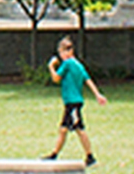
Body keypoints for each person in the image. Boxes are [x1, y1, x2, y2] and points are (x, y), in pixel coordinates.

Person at [43, 36, 107, 167]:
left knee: (79, 129)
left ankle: (90, 156)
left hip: (72, 102)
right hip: (74, 102)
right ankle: (54, 154)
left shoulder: (67, 64)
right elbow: (87, 79)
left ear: (69, 51)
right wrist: (97, 94)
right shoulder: (78, 65)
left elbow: (56, 78)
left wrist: (51, 66)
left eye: (62, 52)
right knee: (64, 129)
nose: (61, 55)